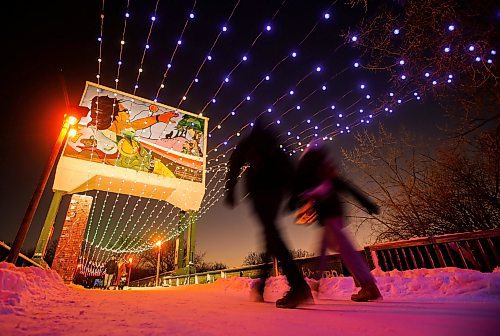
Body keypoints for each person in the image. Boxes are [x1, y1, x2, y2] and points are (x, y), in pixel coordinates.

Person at [225, 117, 313, 309]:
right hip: (276, 193)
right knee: (269, 235)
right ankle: (262, 285)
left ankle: (298, 285)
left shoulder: (250, 142)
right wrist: (295, 194)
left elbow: (234, 164)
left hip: (261, 192)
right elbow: (288, 167)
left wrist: (230, 190)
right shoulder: (274, 142)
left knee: (272, 234)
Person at [289, 144, 382, 302]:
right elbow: (347, 187)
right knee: (325, 249)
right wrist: (367, 203)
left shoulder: (317, 173)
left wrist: (299, 199)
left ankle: (369, 286)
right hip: (331, 217)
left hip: (331, 216)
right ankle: (318, 282)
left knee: (346, 251)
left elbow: (309, 192)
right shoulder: (322, 173)